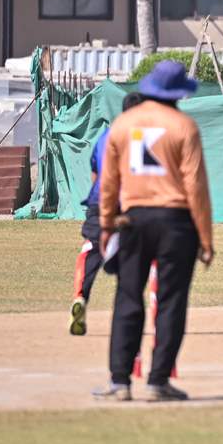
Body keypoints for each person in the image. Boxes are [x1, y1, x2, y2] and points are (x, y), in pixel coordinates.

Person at [93, 61, 214, 401]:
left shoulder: (123, 124)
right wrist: (206, 238)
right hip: (176, 223)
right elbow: (196, 187)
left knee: (128, 297)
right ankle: (158, 381)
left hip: (133, 221)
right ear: (178, 93)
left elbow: (109, 182)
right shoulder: (184, 126)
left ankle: (119, 381)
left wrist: (106, 224)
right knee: (172, 301)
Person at [69, 93, 142, 336]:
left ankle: (80, 297)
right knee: (133, 257)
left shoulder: (106, 135)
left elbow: (95, 171)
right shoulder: (140, 137)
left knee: (91, 248)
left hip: (99, 200)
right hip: (128, 202)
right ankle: (127, 312)